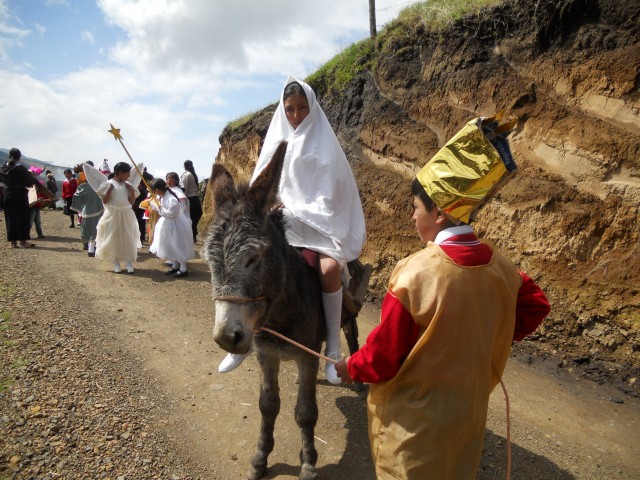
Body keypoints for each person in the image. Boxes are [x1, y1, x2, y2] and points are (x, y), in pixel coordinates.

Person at [334, 118, 551, 479]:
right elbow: (535, 307)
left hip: (414, 431)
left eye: (416, 208)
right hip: (467, 418)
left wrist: (348, 367)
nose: (413, 217)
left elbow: (384, 359)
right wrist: (480, 337)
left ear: (439, 211)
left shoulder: (414, 274)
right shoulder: (505, 269)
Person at [217, 77, 366, 384]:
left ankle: (333, 351)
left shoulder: (326, 148)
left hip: (318, 230)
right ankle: (242, 341)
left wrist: (296, 209)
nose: (295, 115)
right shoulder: (274, 144)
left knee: (327, 271)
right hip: (281, 230)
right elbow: (262, 188)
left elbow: (332, 197)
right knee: (254, 266)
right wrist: (269, 208)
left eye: (301, 108)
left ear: (311, 107)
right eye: (290, 109)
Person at [93, 162, 142, 273]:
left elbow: (132, 202)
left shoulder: (128, 185)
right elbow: (105, 201)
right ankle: (116, 263)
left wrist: (132, 191)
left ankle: (129, 263)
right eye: (127, 173)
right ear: (120, 173)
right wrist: (110, 190)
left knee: (128, 236)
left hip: (126, 213)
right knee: (113, 237)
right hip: (112, 214)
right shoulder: (108, 184)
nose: (129, 176)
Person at [148, 178, 195, 278]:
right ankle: (175, 265)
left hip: (175, 225)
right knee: (169, 244)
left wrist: (159, 208)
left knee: (177, 244)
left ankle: (183, 268)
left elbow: (172, 214)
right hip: (167, 224)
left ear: (156, 190)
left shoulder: (171, 199)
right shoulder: (163, 197)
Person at [0, 148, 38, 247]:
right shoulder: (21, 168)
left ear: (9, 156)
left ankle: (13, 242)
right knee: (22, 218)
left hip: (7, 194)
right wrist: (33, 176)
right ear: (19, 157)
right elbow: (30, 182)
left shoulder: (3, 167)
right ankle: (23, 241)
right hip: (20, 194)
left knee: (10, 218)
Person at [71, 162, 104, 256]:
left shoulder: (88, 179)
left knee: (90, 226)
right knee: (94, 227)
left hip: (91, 205)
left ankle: (89, 246)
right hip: (94, 205)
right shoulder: (88, 179)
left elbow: (78, 194)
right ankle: (90, 245)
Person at [27, 166, 55, 239]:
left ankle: (40, 234)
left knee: (37, 221)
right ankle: (26, 235)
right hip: (32, 205)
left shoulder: (35, 183)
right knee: (30, 221)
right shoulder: (29, 183)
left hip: (37, 205)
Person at [180, 160, 203, 243]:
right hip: (195, 198)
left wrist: (182, 200)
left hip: (190, 199)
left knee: (190, 218)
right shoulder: (193, 174)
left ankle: (191, 235)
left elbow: (184, 189)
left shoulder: (186, 175)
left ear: (184, 166)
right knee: (194, 217)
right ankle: (193, 235)